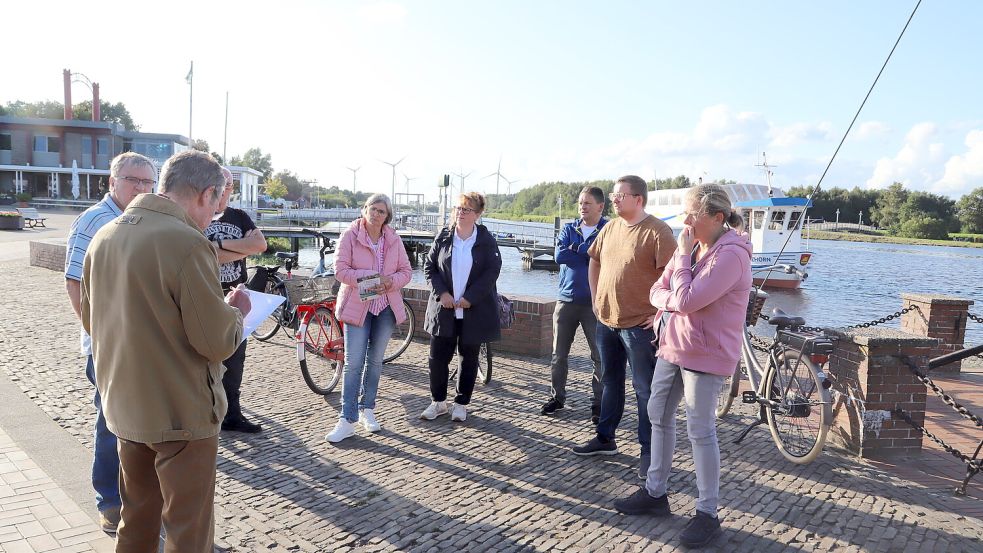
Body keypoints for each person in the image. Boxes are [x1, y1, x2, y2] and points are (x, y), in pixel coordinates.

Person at [81, 150, 250, 553]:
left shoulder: (105, 235)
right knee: (186, 531)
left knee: (136, 521)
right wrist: (236, 313)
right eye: (217, 204)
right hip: (181, 415)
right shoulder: (188, 244)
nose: (215, 216)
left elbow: (91, 320)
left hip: (125, 408)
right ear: (207, 193)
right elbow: (216, 342)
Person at [613, 183, 751, 548]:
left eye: (693, 215)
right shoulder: (690, 247)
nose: (685, 222)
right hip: (673, 345)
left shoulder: (731, 256)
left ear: (717, 218)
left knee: (700, 430)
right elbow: (656, 291)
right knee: (657, 412)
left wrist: (683, 264)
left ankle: (708, 512)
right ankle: (655, 492)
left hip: (707, 352)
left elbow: (687, 299)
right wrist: (677, 289)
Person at [64, 151, 156, 532]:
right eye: (133, 180)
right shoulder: (96, 220)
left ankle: (134, 497)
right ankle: (110, 501)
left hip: (135, 343)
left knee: (132, 423)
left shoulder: (136, 220)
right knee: (110, 422)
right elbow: (73, 281)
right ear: (112, 181)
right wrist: (97, 333)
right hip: (108, 345)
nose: (141, 188)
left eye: (148, 183)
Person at [571, 175, 676, 481]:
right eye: (615, 195)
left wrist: (660, 311)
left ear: (638, 199)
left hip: (639, 326)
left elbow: (674, 277)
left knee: (645, 389)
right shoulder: (611, 228)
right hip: (606, 320)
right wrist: (595, 297)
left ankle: (648, 452)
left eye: (620, 196)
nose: (614, 200)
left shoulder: (657, 232)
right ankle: (606, 438)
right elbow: (595, 261)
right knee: (609, 381)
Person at [326, 193, 413, 443]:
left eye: (381, 211)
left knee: (375, 362)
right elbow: (340, 271)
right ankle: (347, 418)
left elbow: (406, 272)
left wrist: (390, 282)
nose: (375, 214)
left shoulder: (394, 239)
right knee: (353, 363)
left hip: (385, 308)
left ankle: (368, 409)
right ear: (364, 209)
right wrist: (372, 278)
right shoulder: (350, 235)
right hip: (357, 307)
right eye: (372, 209)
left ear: (388, 217)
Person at [420, 192, 502, 422]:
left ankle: (461, 403)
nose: (460, 213)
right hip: (443, 309)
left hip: (472, 310)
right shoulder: (444, 236)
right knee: (437, 357)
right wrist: (442, 293)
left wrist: (471, 297)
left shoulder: (486, 240)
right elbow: (430, 267)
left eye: (466, 209)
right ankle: (438, 402)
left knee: (468, 358)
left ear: (477, 214)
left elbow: (492, 272)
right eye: (457, 208)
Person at [204, 167, 268, 434]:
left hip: (238, 297)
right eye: (221, 183)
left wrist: (216, 247)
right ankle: (206, 414)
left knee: (236, 358)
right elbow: (201, 256)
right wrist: (239, 246)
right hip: (208, 296)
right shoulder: (200, 217)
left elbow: (260, 246)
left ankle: (232, 414)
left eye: (229, 185)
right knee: (206, 359)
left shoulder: (240, 216)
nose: (225, 188)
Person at [541, 186, 607, 419]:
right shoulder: (569, 228)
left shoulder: (608, 230)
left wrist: (577, 249)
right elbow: (560, 256)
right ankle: (557, 397)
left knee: (598, 356)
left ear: (600, 206)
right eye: (580, 203)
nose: (582, 207)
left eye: (587, 203)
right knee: (559, 354)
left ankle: (598, 404)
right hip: (566, 301)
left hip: (595, 304)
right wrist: (588, 252)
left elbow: (605, 257)